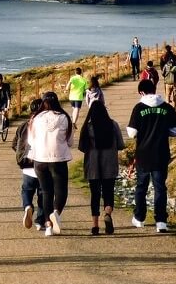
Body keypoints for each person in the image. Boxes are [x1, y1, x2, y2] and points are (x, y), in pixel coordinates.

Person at [126, 78, 176, 232]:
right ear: (155, 89)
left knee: (141, 186)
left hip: (143, 153)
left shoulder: (139, 108)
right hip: (161, 152)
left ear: (141, 92)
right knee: (160, 187)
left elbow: (131, 133)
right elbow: (175, 131)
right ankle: (161, 221)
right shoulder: (167, 108)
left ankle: (139, 218)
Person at [28, 91, 74, 236]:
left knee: (46, 191)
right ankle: (56, 212)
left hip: (40, 159)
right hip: (58, 158)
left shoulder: (36, 118)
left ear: (43, 102)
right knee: (61, 190)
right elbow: (71, 142)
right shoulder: (64, 117)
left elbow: (30, 140)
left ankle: (48, 225)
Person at [78, 100, 125, 235]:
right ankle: (108, 212)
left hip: (92, 166)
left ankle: (95, 226)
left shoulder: (87, 127)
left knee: (95, 195)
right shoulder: (112, 125)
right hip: (109, 164)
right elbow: (121, 144)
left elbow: (82, 147)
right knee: (108, 192)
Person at [12, 98, 46, 231]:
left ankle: (27, 206)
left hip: (27, 166)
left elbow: (15, 145)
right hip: (42, 164)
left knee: (26, 190)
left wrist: (22, 154)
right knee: (43, 193)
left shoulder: (23, 126)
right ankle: (40, 221)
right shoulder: (44, 127)